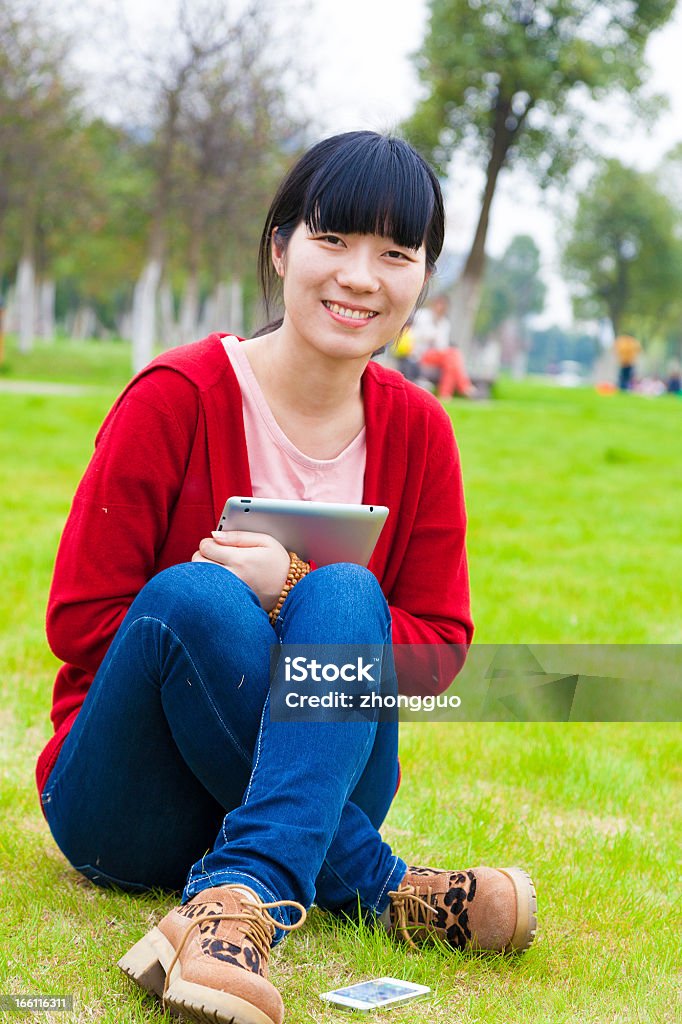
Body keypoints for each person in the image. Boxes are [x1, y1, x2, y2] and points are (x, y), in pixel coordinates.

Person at [37, 132, 537, 1024]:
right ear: (280, 247)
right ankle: (380, 885)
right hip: (132, 799)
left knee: (346, 595)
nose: (360, 277)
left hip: (322, 777)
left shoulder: (421, 433)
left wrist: (295, 584)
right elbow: (81, 625)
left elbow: (439, 655)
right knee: (193, 598)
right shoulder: (175, 395)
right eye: (333, 240)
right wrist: (230, 615)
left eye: (396, 254)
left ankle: (238, 899)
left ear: (423, 279)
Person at [411, 293, 477, 397]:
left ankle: (445, 394)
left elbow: (442, 346)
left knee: (451, 360)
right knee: (453, 354)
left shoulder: (444, 323)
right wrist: (433, 335)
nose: (440, 307)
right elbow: (415, 336)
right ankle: (464, 387)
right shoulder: (422, 315)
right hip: (420, 355)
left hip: (438, 356)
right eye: (438, 304)